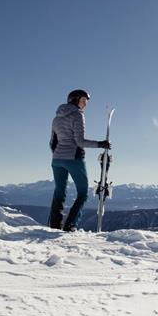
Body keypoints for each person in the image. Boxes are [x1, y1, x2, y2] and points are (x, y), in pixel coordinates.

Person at [48, 89, 111, 231]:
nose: (85, 105)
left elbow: (52, 142)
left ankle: (54, 224)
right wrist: (101, 144)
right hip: (74, 159)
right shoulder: (77, 115)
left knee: (59, 191)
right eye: (83, 101)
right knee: (82, 193)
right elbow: (80, 141)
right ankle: (70, 225)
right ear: (75, 100)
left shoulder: (56, 119)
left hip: (57, 159)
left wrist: (59, 155)